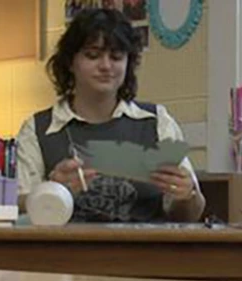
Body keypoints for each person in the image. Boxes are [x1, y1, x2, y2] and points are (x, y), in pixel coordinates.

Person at [16, 8, 205, 223]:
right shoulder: (38, 128)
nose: (106, 66)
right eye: (92, 55)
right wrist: (51, 193)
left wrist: (186, 194)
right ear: (70, 62)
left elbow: (191, 214)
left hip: (149, 253)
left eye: (116, 57)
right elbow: (18, 211)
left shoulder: (156, 122)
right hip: (64, 254)